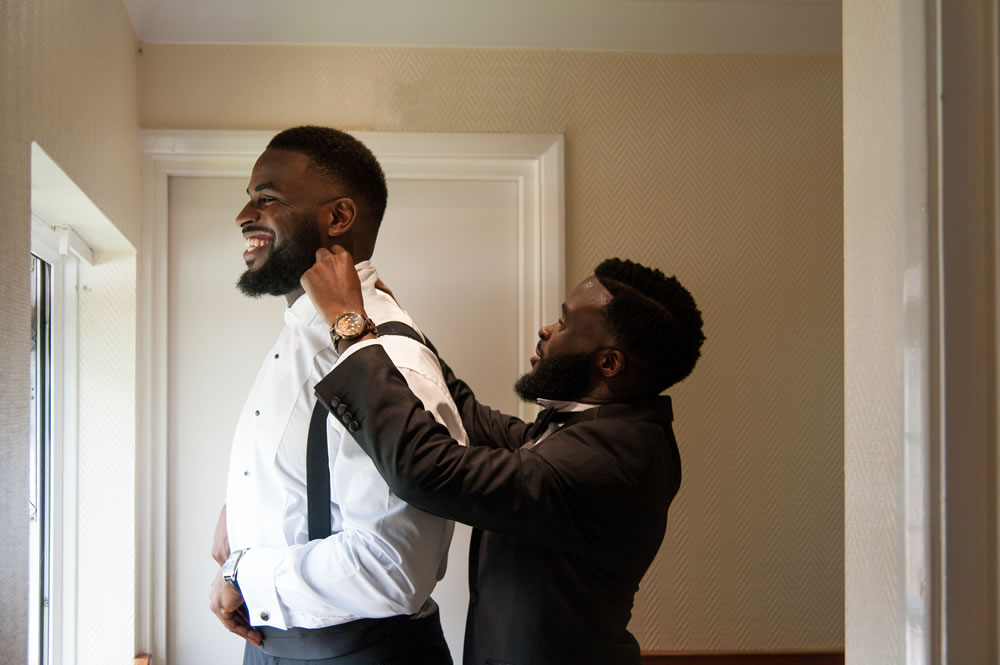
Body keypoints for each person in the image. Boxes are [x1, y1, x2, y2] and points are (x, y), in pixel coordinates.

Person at [300, 247, 706, 665]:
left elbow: (426, 469)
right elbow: (470, 416)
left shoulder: (611, 459)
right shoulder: (603, 429)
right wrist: (391, 321)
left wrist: (348, 325)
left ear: (608, 363)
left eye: (564, 323)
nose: (547, 330)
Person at [207, 126, 466, 665]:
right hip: (277, 642)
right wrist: (245, 505)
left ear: (339, 217)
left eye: (267, 198)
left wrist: (244, 572)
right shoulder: (302, 334)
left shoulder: (386, 357)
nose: (243, 216)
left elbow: (391, 570)